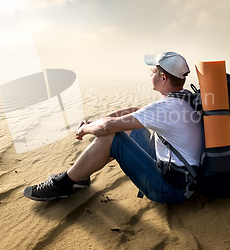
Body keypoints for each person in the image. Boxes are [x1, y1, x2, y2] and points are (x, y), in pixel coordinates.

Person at [23, 51, 203, 204]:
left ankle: (62, 184)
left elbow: (108, 127)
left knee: (111, 135)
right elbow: (135, 111)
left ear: (163, 77)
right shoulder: (183, 98)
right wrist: (95, 122)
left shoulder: (166, 108)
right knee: (131, 127)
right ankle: (81, 174)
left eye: (153, 71)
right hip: (181, 176)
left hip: (171, 189)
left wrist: (85, 129)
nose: (150, 74)